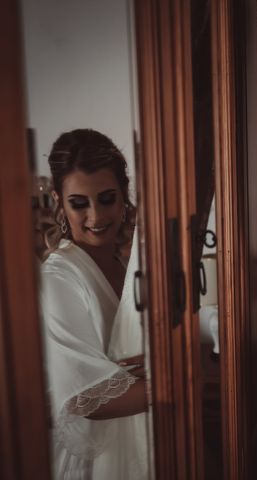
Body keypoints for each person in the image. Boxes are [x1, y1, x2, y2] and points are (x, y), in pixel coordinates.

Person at [40, 129, 148, 479]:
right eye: (79, 203)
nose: (96, 217)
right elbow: (91, 398)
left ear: (124, 194)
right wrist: (180, 375)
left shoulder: (128, 263)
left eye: (106, 198)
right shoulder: (57, 280)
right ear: (58, 199)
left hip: (142, 436)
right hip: (95, 460)